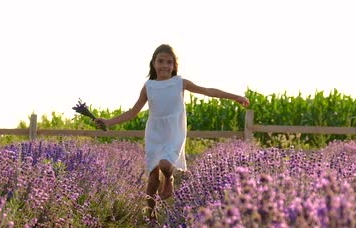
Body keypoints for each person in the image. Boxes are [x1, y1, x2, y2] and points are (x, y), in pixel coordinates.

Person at [95, 44, 249, 219]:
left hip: (174, 131)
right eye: (160, 61)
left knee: (165, 165)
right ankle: (151, 215)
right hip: (154, 133)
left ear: (175, 65)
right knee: (152, 179)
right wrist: (108, 121)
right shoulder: (149, 86)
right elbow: (133, 111)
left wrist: (235, 96)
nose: (164, 66)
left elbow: (207, 91)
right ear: (153, 63)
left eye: (169, 62)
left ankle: (169, 179)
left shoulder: (180, 83)